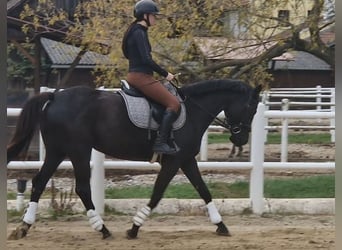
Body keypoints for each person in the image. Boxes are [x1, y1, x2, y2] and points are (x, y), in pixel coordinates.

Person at [122, 0, 180, 155]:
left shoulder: (136, 31)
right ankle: (160, 143)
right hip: (141, 77)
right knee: (174, 103)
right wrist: (166, 74)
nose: (156, 18)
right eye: (154, 15)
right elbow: (147, 60)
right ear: (145, 15)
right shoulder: (138, 32)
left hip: (139, 75)